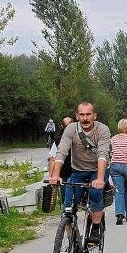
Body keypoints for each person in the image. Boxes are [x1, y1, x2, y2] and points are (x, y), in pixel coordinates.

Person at [49, 102, 112, 244]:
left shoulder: (102, 130)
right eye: (82, 115)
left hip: (98, 170)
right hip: (78, 170)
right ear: (77, 116)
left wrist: (100, 179)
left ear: (94, 116)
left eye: (88, 114)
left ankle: (96, 228)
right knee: (68, 204)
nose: (85, 118)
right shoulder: (71, 129)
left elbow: (102, 155)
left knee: (96, 193)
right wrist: (55, 175)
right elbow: (61, 153)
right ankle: (72, 241)